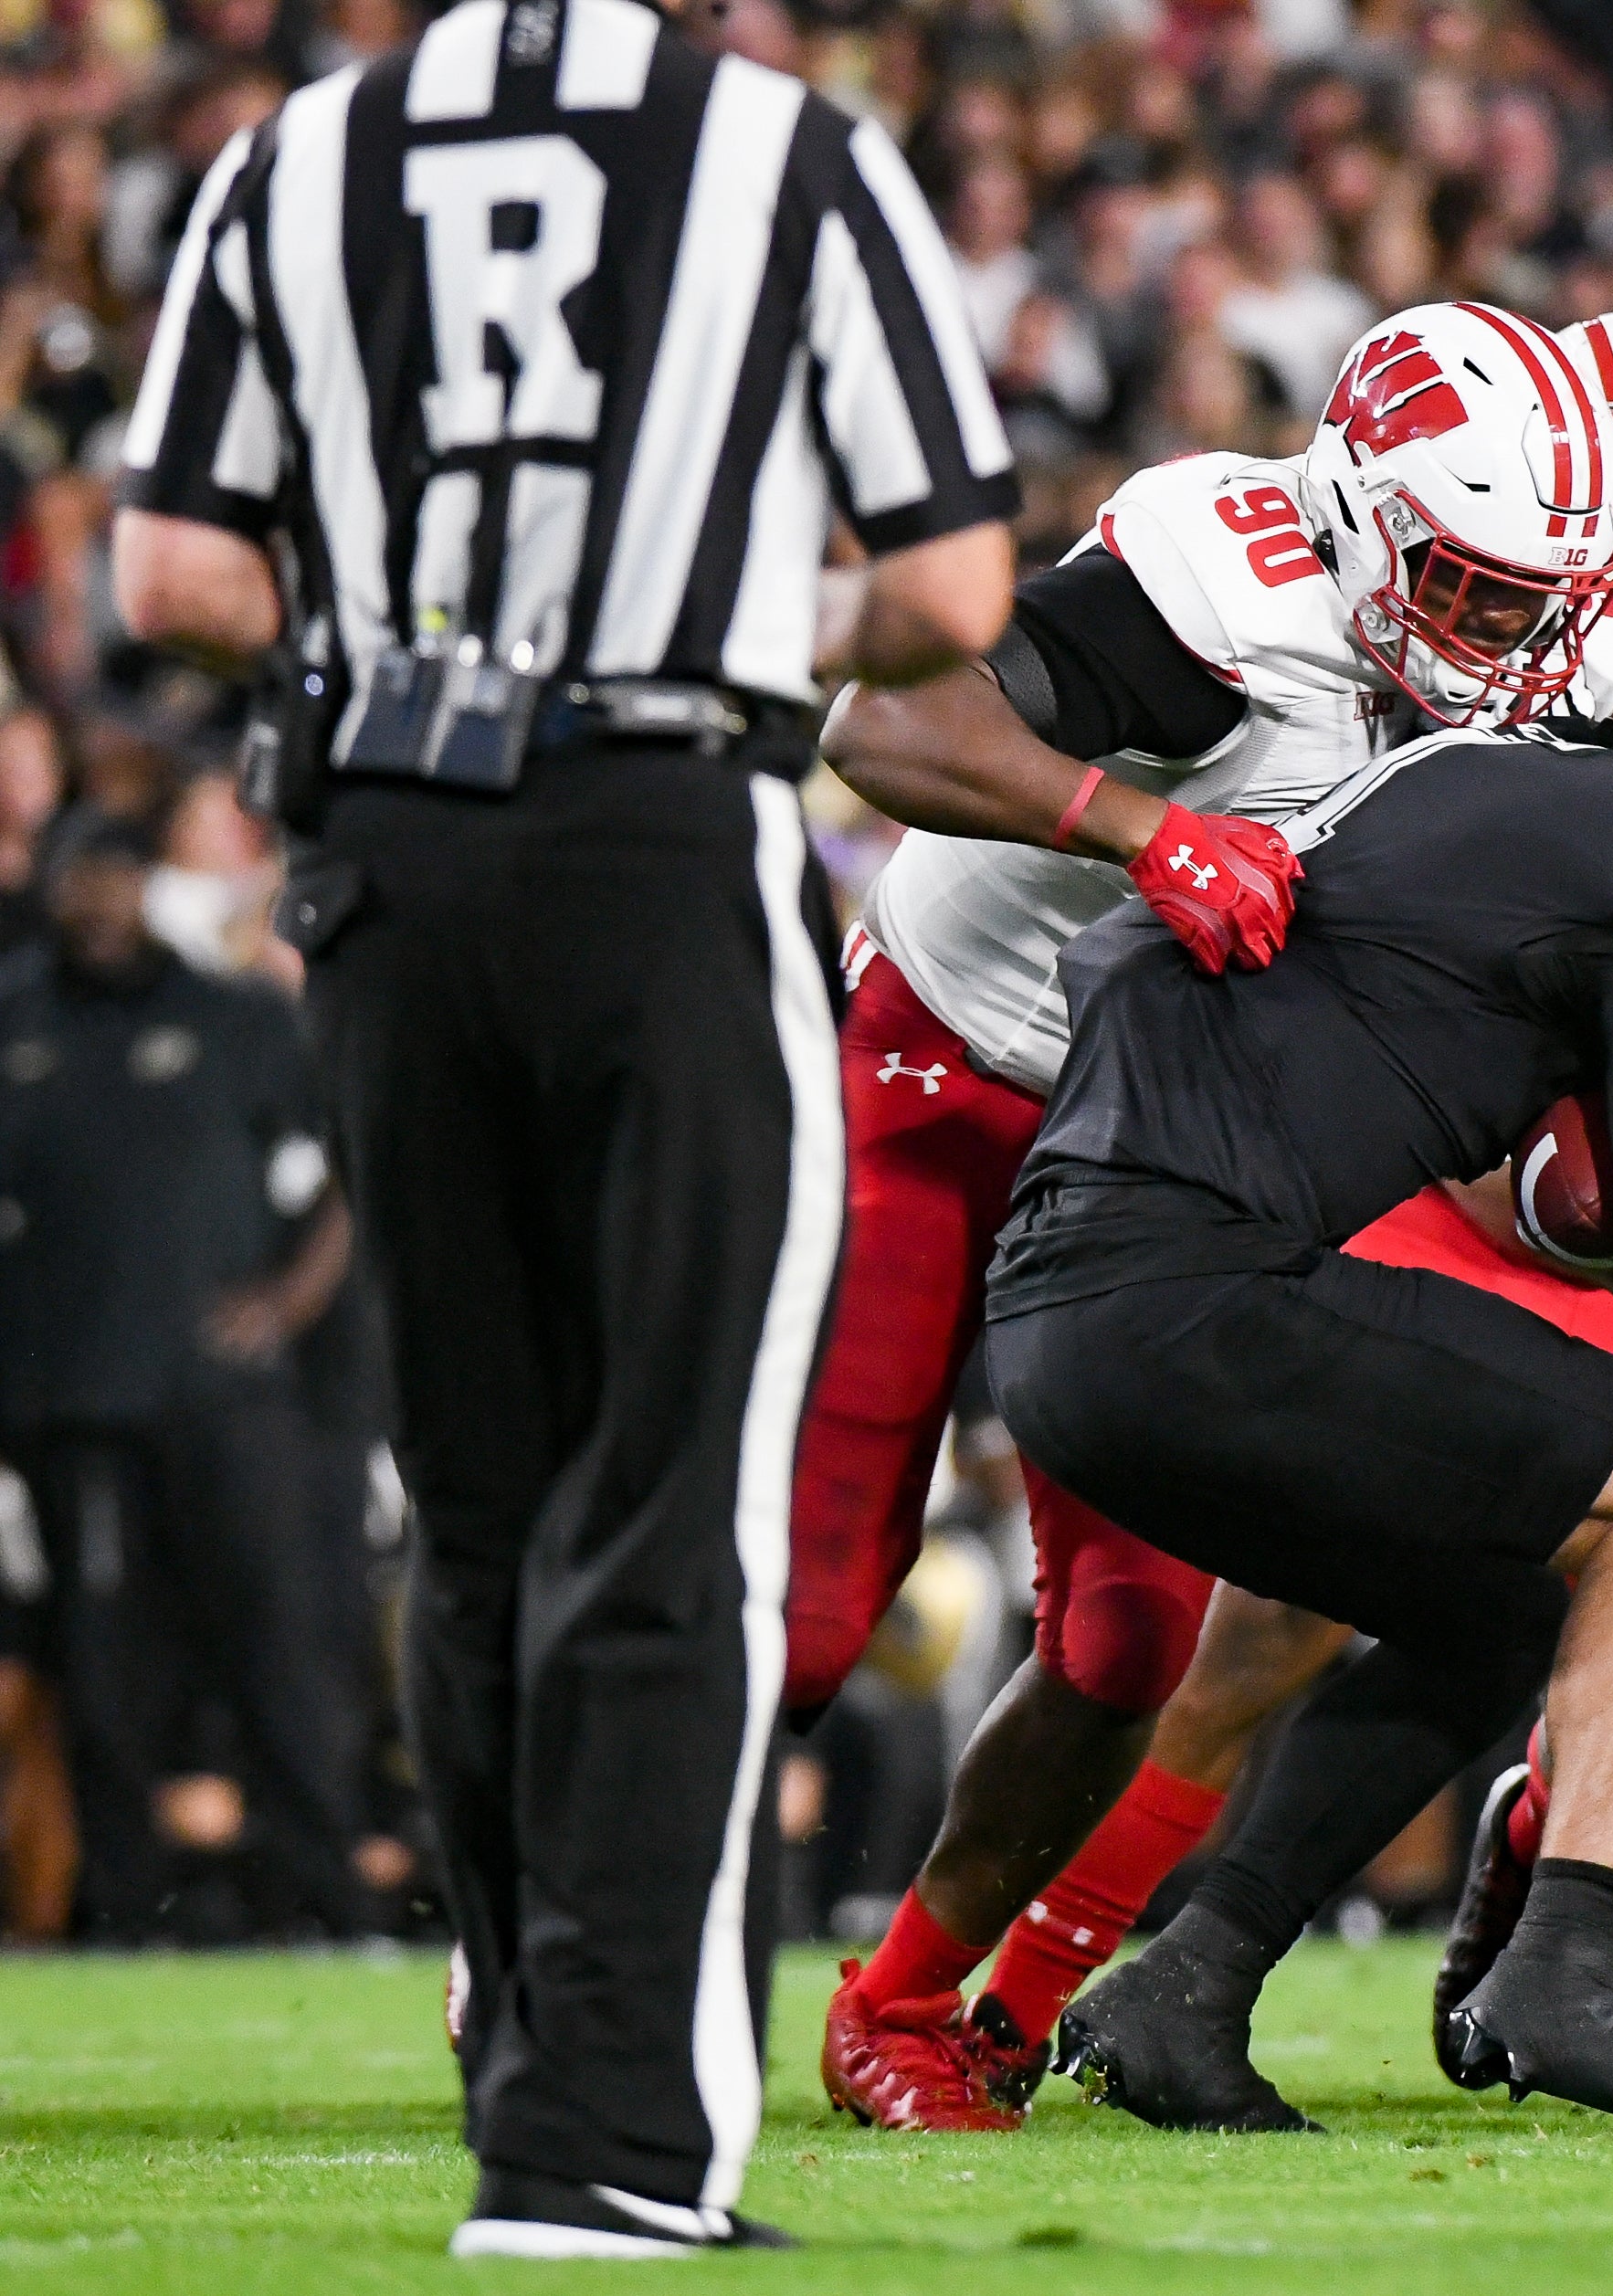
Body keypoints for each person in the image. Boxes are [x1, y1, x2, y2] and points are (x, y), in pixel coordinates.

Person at [109, 0, 1017, 2251]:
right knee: (676, 1502)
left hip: (386, 864)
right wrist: (727, 602)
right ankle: (604, 2137)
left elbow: (177, 580)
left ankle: (531, 2062)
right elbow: (947, 591)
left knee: (486, 1506)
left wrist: (414, 651)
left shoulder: (296, 159)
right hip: (651, 831)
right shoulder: (779, 152)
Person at [798, 299, 1613, 2128]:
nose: (1513, 639)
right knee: (815, 1601)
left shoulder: (1543, 629)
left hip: (1152, 1152)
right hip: (942, 1080)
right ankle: (562, 1951)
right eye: (1476, 589)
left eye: (1536, 592)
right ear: (1360, 521)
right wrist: (1140, 827)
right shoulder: (1220, 585)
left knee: (1122, 1647)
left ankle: (910, 2005)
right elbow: (888, 726)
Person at [1002, 601, 1613, 2134]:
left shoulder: (1482, 768)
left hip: (1068, 1289)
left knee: (1495, 1599)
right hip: (1190, 1279)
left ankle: (1187, 1986)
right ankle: (1567, 1960)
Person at [0, 806, 359, 1940]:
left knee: (277, 1653)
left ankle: (324, 1896)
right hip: (78, 1403)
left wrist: (289, 1300)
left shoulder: (239, 1017)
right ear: (54, 890)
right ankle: (122, 1909)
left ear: (147, 884)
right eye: (77, 880)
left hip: (228, 1405)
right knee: (106, 1676)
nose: (95, 901)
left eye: (114, 876)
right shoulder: (13, 1022)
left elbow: (350, 1162)